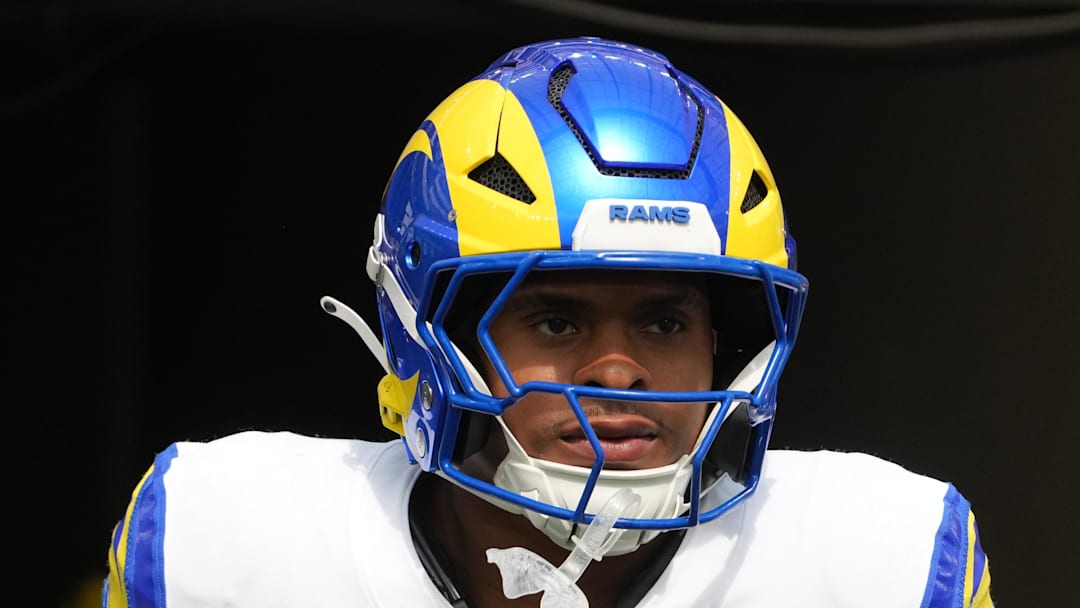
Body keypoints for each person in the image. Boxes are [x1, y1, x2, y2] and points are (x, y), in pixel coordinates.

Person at [101, 36, 993, 607]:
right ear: (424, 332)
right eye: (558, 322)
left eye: (665, 323)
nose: (619, 372)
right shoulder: (218, 544)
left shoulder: (883, 564)